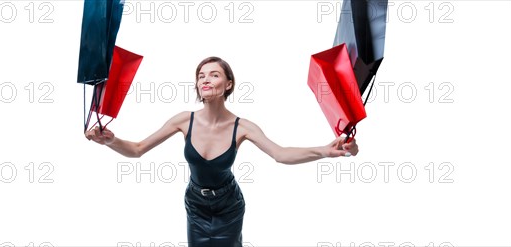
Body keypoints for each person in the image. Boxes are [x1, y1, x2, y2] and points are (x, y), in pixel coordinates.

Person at [85, 56, 359, 246]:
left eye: (214, 74)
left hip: (229, 206)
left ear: (228, 84)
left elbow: (281, 154)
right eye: (201, 76)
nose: (205, 79)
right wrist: (110, 140)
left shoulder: (243, 126)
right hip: (196, 205)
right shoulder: (184, 120)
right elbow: (137, 149)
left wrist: (324, 150)